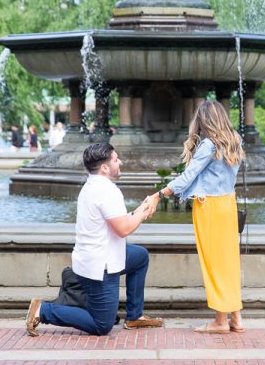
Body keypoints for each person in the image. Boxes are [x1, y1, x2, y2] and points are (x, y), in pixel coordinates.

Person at [25, 143, 162, 337]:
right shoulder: (107, 191)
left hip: (96, 257)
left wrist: (139, 209)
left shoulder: (93, 185)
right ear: (105, 167)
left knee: (139, 257)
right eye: (116, 159)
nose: (120, 162)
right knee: (101, 325)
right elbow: (123, 229)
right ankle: (43, 311)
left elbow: (117, 221)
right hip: (101, 267)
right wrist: (144, 212)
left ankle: (134, 316)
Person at [153, 101, 245, 334]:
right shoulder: (235, 139)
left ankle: (220, 322)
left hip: (210, 207)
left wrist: (159, 194)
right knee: (229, 262)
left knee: (214, 263)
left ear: (204, 120)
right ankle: (236, 318)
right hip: (228, 203)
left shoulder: (208, 145)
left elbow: (186, 178)